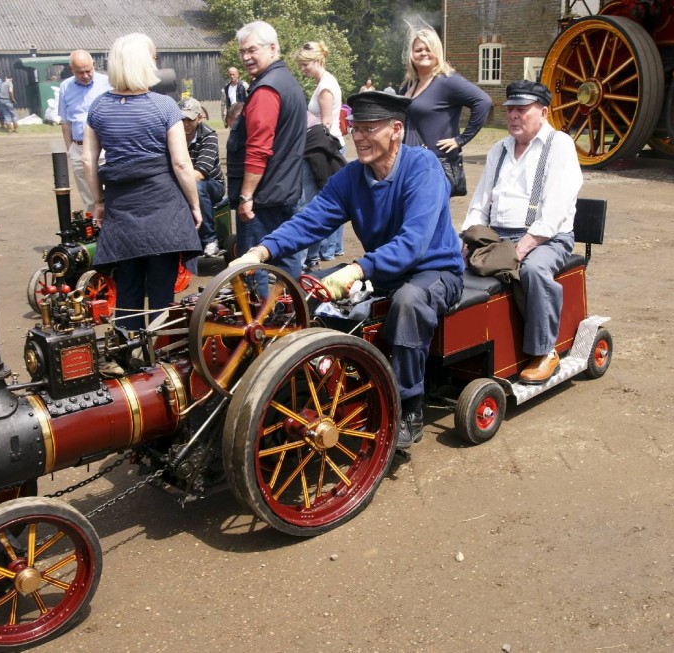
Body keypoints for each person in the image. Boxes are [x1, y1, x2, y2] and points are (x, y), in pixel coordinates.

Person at [231, 92, 464, 449]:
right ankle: (302, 388)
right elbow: (310, 220)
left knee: (408, 303)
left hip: (435, 270)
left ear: (397, 130)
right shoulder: (352, 176)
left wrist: (358, 268)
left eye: (369, 129)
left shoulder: (424, 167)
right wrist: (260, 251)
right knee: (307, 294)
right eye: (355, 128)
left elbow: (414, 243)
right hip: (383, 270)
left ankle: (409, 405)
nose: (358, 137)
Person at [462, 80, 582, 384]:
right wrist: (467, 239)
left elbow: (554, 212)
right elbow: (480, 203)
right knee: (450, 265)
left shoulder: (560, 145)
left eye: (522, 110)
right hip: (499, 234)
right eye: (510, 109)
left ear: (542, 112)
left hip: (547, 237)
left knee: (533, 271)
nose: (514, 115)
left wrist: (520, 249)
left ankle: (545, 351)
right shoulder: (498, 149)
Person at [82, 33, 202, 333]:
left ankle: (126, 356)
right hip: (164, 210)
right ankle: (157, 360)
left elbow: (88, 161)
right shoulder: (165, 106)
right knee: (162, 292)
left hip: (122, 211)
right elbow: (181, 163)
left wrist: (98, 203)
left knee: (128, 290)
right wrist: (195, 205)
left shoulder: (98, 108)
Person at [226, 20, 307, 283]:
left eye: (252, 50)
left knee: (255, 267)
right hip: (285, 190)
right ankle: (293, 315)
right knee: (286, 257)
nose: (246, 57)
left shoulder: (266, 90)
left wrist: (246, 196)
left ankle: (264, 321)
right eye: (242, 52)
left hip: (264, 198)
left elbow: (259, 149)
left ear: (272, 48)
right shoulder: (287, 81)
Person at [400, 25, 491, 175]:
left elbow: (483, 102)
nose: (423, 53)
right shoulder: (409, 84)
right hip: (409, 163)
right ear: (411, 54)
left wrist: (461, 139)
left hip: (436, 166)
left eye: (429, 49)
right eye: (418, 50)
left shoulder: (448, 81)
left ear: (437, 52)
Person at [295, 40, 345, 265]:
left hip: (324, 147)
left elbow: (325, 123)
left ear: (318, 60)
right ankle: (329, 249)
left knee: (319, 199)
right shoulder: (324, 82)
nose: (303, 69)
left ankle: (323, 251)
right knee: (330, 196)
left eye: (306, 65)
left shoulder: (325, 87)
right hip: (326, 146)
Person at [59, 50, 111, 215]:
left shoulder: (108, 83)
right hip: (79, 148)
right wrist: (70, 149)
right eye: (80, 72)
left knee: (110, 192)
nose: (85, 75)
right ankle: (95, 232)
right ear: (71, 69)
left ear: (94, 65)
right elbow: (65, 122)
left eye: (88, 70)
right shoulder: (65, 87)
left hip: (104, 147)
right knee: (89, 197)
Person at [179, 97, 226, 257]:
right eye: (182, 118)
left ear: (199, 117)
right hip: (184, 181)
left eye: (190, 119)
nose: (185, 123)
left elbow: (200, 173)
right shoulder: (173, 135)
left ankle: (209, 239)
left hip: (212, 184)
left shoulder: (209, 136)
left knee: (196, 187)